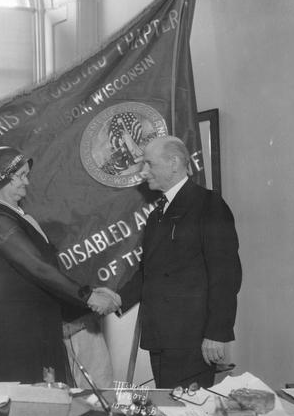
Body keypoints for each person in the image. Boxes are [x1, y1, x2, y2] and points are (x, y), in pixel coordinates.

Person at [95, 135, 242, 389]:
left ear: (174, 163)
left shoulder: (209, 205)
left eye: (149, 164)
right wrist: (118, 299)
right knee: (169, 411)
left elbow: (226, 275)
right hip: (161, 337)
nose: (143, 172)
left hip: (193, 339)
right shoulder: (157, 214)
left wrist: (217, 333)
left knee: (189, 414)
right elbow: (149, 272)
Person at [0, 146, 113, 385]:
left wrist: (79, 302)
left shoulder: (13, 214)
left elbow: (48, 269)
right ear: (2, 179)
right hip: (18, 331)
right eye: (20, 176)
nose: (26, 182)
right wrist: (87, 296)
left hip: (38, 325)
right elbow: (38, 267)